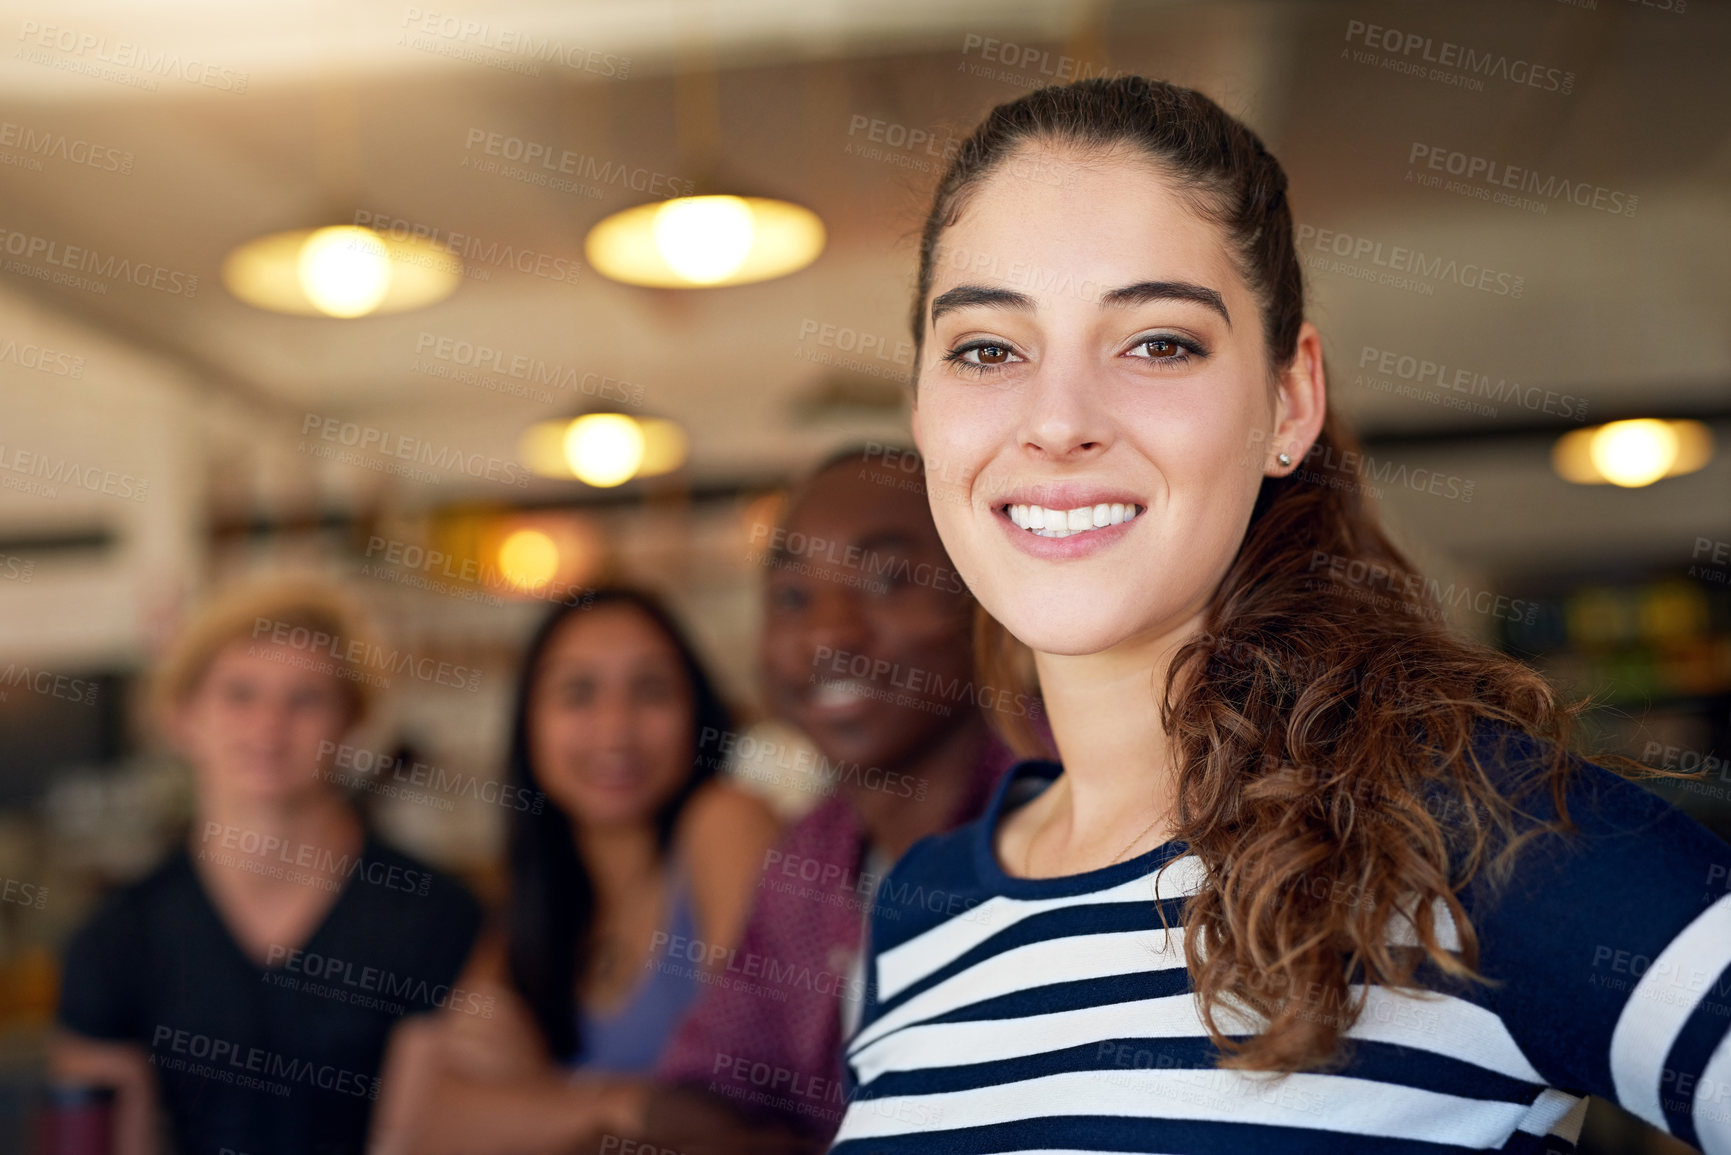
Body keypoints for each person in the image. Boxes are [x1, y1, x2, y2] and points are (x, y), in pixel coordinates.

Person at [827, 77, 1731, 1154]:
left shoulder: (1471, 836)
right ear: (922, 407)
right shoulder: (919, 912)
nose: (1057, 420)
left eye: (1158, 342)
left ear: (1289, 403)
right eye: (987, 348)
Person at [624, 446, 1020, 1151]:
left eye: (888, 579)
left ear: (990, 595)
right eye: (793, 597)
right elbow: (692, 1096)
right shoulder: (809, 855)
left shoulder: (1062, 819)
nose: (828, 632)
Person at [50, 577, 484, 1155]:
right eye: (240, 694)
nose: (269, 725)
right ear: (183, 718)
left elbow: (418, 1137)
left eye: (305, 698)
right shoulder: (114, 938)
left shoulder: (435, 915)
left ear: (352, 722)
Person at [380, 587, 781, 1155]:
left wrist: (537, 1099)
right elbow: (432, 1126)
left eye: (651, 690)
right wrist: (617, 1105)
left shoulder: (725, 821)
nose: (615, 728)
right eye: (578, 693)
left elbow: (740, 1111)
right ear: (530, 726)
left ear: (698, 713)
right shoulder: (536, 905)